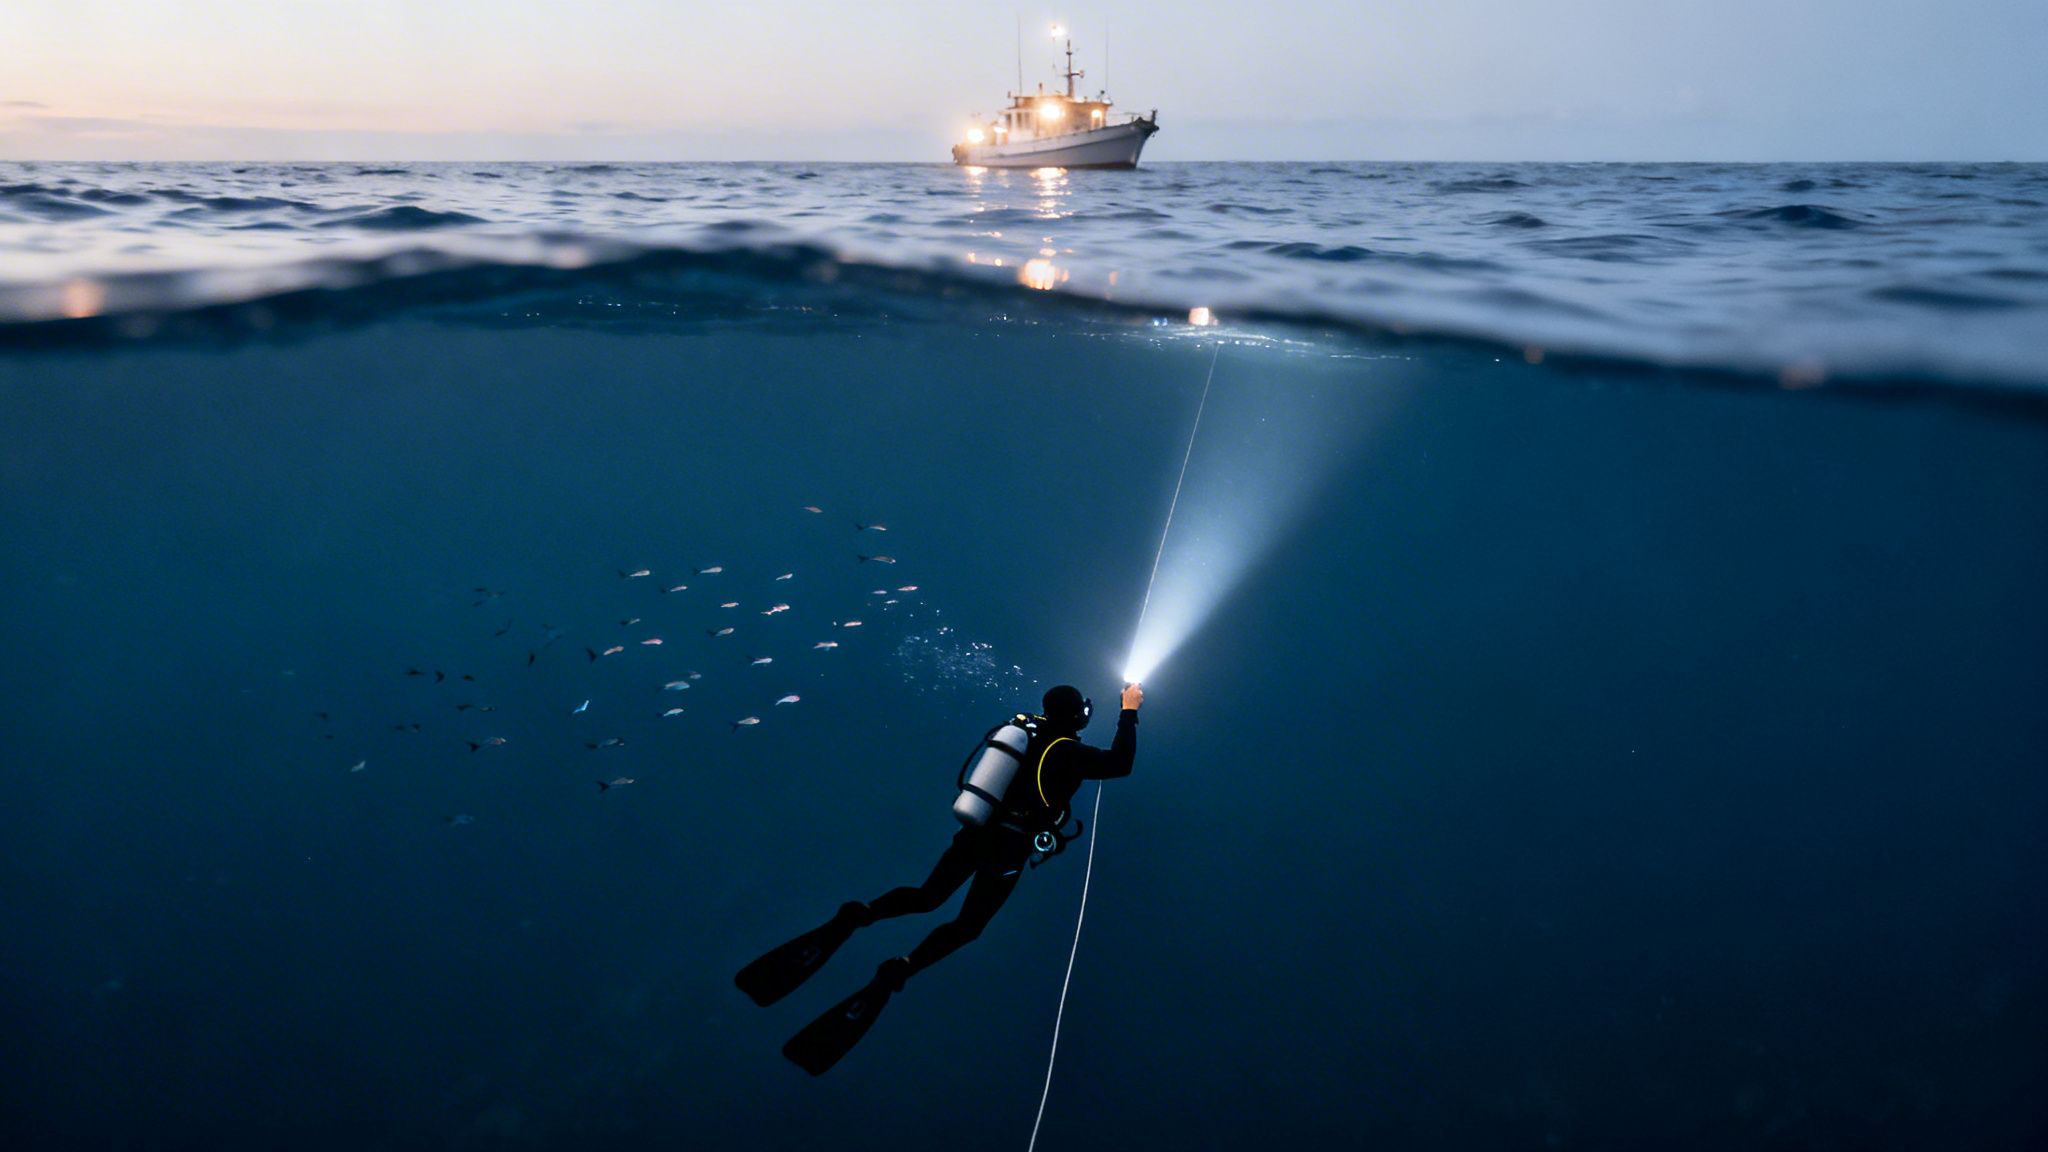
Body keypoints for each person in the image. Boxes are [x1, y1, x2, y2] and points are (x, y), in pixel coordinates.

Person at [737, 681, 1143, 1074]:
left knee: (926, 896)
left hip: (974, 832)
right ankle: (901, 967)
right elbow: (1121, 763)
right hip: (1008, 847)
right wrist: (1129, 710)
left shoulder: (1024, 734)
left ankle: (859, 914)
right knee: (968, 926)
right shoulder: (1068, 751)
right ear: (1076, 715)